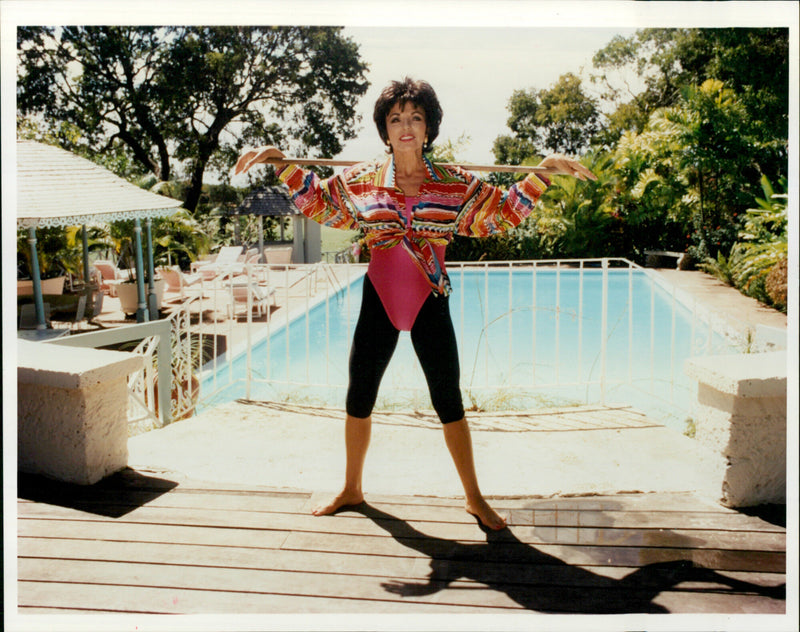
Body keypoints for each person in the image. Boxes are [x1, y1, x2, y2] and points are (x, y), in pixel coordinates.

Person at [235, 77, 595, 530]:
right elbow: (322, 203)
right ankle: (351, 488)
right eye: (396, 118)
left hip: (430, 300)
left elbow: (501, 213)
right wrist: (280, 163)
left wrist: (541, 173)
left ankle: (474, 497)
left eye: (416, 117)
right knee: (359, 395)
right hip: (378, 300)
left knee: (448, 400)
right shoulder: (363, 179)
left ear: (429, 128)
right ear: (385, 130)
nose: (406, 126)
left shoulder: (454, 183)